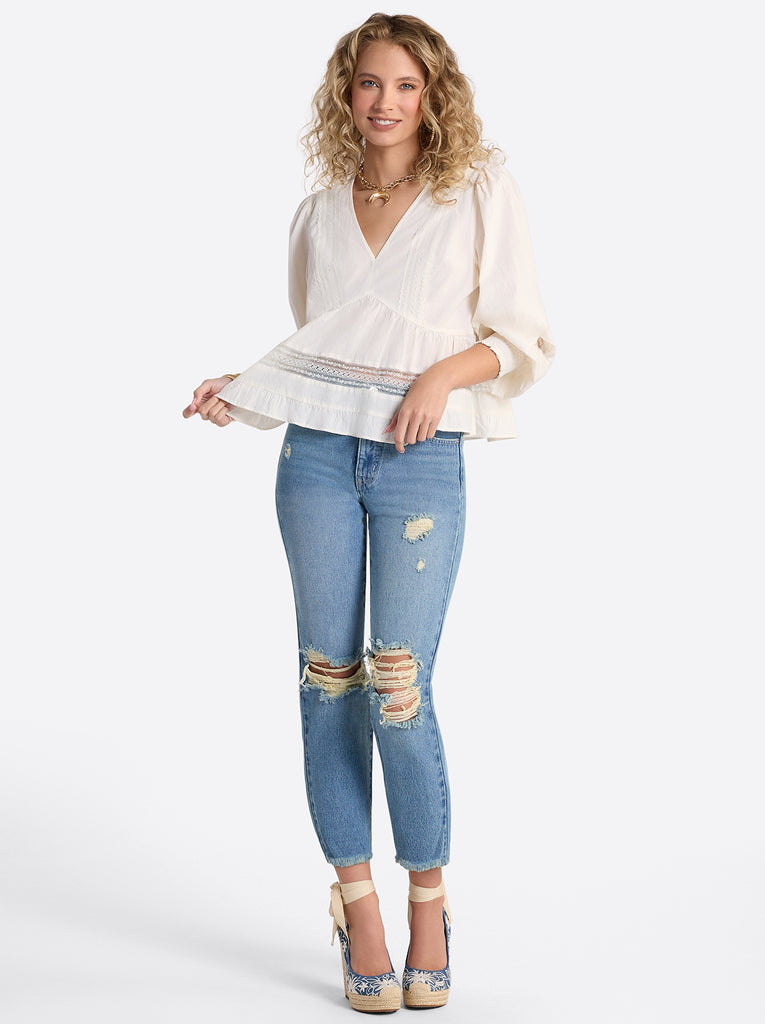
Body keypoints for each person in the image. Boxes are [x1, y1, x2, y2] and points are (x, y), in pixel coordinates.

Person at [183, 12, 555, 1013]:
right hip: (313, 460)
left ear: (434, 96)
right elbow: (322, 354)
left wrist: (440, 375)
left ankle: (428, 900)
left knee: (400, 686)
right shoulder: (316, 213)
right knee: (327, 681)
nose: (384, 102)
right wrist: (245, 389)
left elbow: (521, 338)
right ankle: (359, 908)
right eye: (367, 84)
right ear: (344, 94)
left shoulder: (477, 189)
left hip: (419, 465)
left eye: (404, 85)